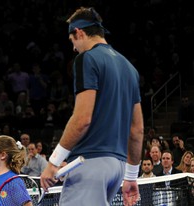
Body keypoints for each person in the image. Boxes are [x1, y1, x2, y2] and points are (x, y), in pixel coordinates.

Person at [39, 7, 144, 206]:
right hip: (117, 168)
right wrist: (130, 176)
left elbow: (82, 119)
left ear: (79, 32)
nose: (73, 48)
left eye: (72, 41)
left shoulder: (86, 59)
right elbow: (137, 130)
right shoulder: (130, 69)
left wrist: (53, 163)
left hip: (90, 164)